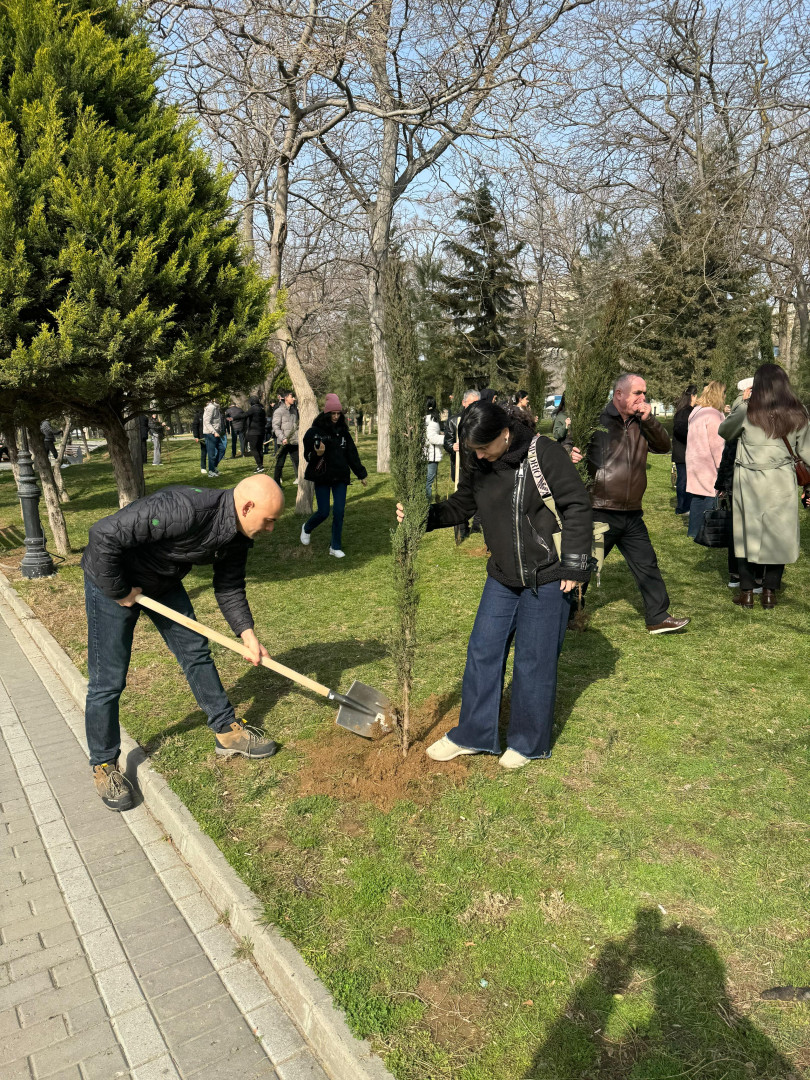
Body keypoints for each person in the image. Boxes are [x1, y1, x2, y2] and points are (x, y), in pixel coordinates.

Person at [396, 401, 593, 768]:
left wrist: (575, 565)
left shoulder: (544, 453)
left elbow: (577, 506)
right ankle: (473, 734)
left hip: (548, 575)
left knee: (534, 661)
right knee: (483, 651)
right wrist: (424, 515)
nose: (479, 456)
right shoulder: (477, 460)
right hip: (502, 576)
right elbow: (461, 505)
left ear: (505, 433)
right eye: (473, 451)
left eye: (484, 448)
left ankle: (528, 742)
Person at [80, 475, 285, 811]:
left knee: (195, 651)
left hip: (162, 582)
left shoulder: (238, 534)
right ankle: (104, 764)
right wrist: (120, 591)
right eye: (269, 521)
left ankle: (226, 729)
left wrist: (248, 635)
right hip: (111, 579)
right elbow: (102, 535)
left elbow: (229, 585)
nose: (270, 529)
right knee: (108, 680)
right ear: (247, 507)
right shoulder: (184, 509)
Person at [571, 373, 690, 634]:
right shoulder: (596, 419)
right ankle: (568, 613)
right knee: (586, 565)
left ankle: (658, 616)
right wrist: (570, 451)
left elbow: (663, 446)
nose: (642, 398)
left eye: (644, 393)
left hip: (632, 511)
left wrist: (648, 420)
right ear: (619, 395)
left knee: (647, 563)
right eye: (637, 393)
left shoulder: (642, 422)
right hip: (600, 508)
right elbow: (570, 443)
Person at [718, 363, 810, 609]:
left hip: (749, 481)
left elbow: (724, 431)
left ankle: (747, 592)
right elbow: (807, 453)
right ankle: (769, 592)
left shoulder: (747, 411)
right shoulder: (798, 412)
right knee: (778, 535)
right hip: (781, 480)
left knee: (746, 534)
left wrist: (741, 399)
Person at [300, 394, 367, 558]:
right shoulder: (314, 432)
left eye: (338, 413)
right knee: (323, 512)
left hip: (340, 477)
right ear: (327, 413)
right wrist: (317, 454)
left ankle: (335, 546)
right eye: (333, 413)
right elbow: (307, 455)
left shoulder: (344, 432)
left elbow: (352, 453)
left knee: (339, 511)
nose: (336, 417)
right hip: (322, 476)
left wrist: (361, 474)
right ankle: (307, 527)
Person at [685, 381, 726, 539]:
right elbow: (717, 445)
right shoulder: (713, 415)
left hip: (695, 461)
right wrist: (722, 468)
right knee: (710, 498)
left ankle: (694, 531)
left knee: (697, 498)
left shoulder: (697, 411)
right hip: (707, 463)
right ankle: (707, 533)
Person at [671, 385, 697, 516]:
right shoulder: (685, 411)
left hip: (686, 451)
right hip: (683, 452)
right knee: (683, 480)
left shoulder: (688, 410)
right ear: (692, 396)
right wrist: (694, 437)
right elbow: (680, 430)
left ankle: (686, 505)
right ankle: (682, 507)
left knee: (687, 480)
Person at [273, 390, 300, 485]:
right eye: (291, 396)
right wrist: (282, 438)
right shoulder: (279, 411)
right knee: (280, 464)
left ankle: (301, 481)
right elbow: (276, 426)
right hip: (283, 442)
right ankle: (276, 484)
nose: (293, 398)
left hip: (293, 441)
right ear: (286, 398)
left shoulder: (294, 411)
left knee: (298, 462)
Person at [424, 396, 444, 500]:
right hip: (431, 455)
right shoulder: (432, 420)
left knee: (424, 481)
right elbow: (432, 438)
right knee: (427, 482)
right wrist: (447, 438)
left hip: (424, 454)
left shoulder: (423, 419)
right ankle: (426, 506)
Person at [203, 398, 226, 477]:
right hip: (210, 433)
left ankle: (214, 467)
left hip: (216, 433)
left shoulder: (216, 407)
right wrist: (214, 432)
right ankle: (211, 471)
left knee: (222, 449)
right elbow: (206, 422)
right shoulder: (210, 408)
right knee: (211, 453)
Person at [244, 394, 267, 473]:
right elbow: (265, 421)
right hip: (261, 431)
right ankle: (260, 465)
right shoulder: (262, 409)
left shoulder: (252, 409)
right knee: (259, 448)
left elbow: (245, 415)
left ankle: (259, 465)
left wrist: (233, 418)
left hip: (254, 432)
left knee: (253, 448)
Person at [192, 408, 206, 474]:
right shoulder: (198, 415)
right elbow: (195, 426)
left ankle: (213, 467)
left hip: (211, 435)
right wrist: (196, 436)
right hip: (202, 437)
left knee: (213, 452)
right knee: (204, 452)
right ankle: (203, 467)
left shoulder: (211, 413)